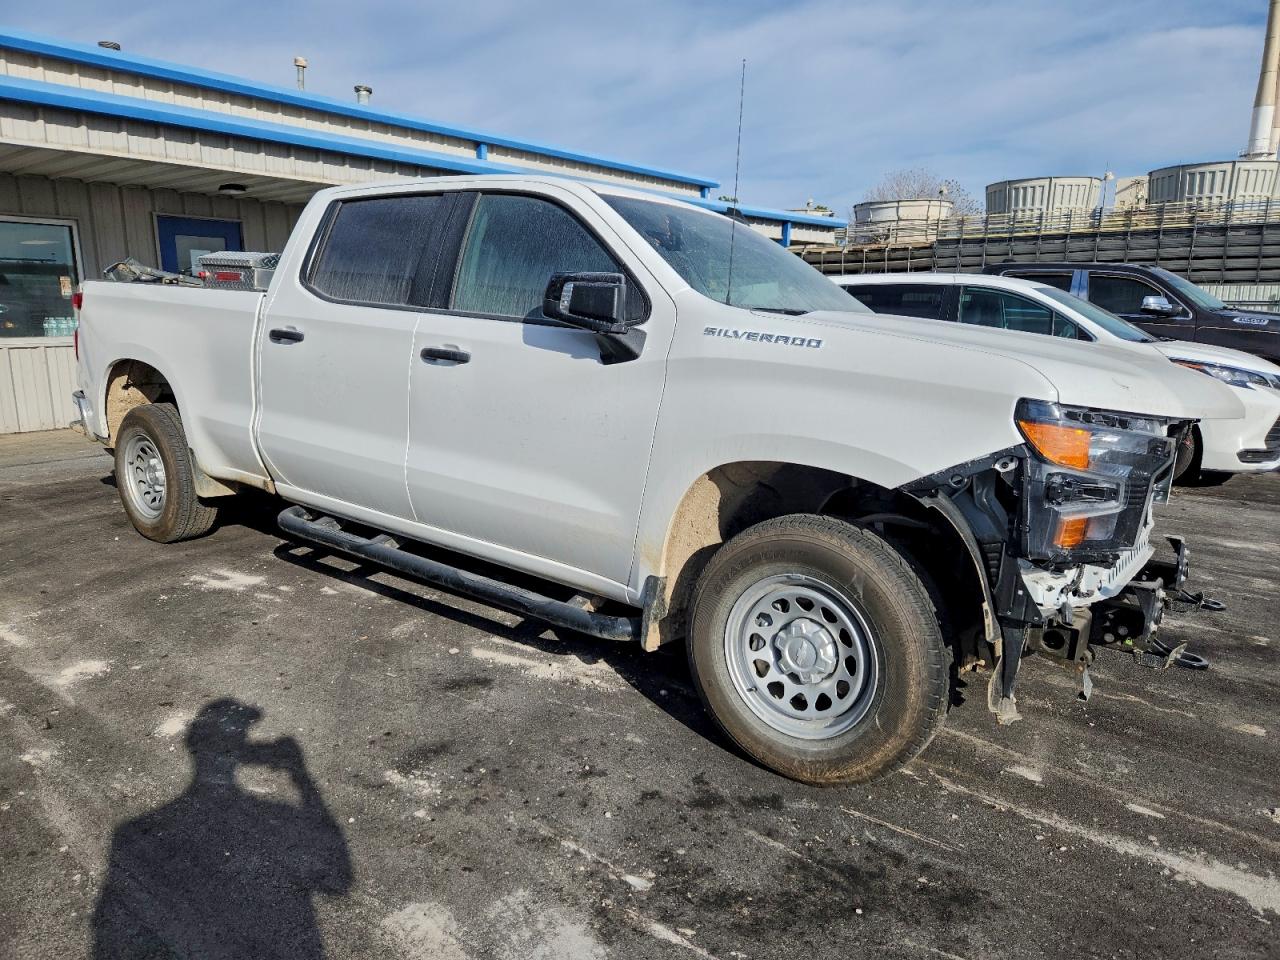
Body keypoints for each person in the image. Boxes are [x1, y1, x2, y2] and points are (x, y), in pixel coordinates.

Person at [92, 699, 352, 959]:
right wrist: (302, 776)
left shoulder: (132, 834)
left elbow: (112, 937)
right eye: (237, 737)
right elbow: (337, 880)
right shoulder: (277, 819)